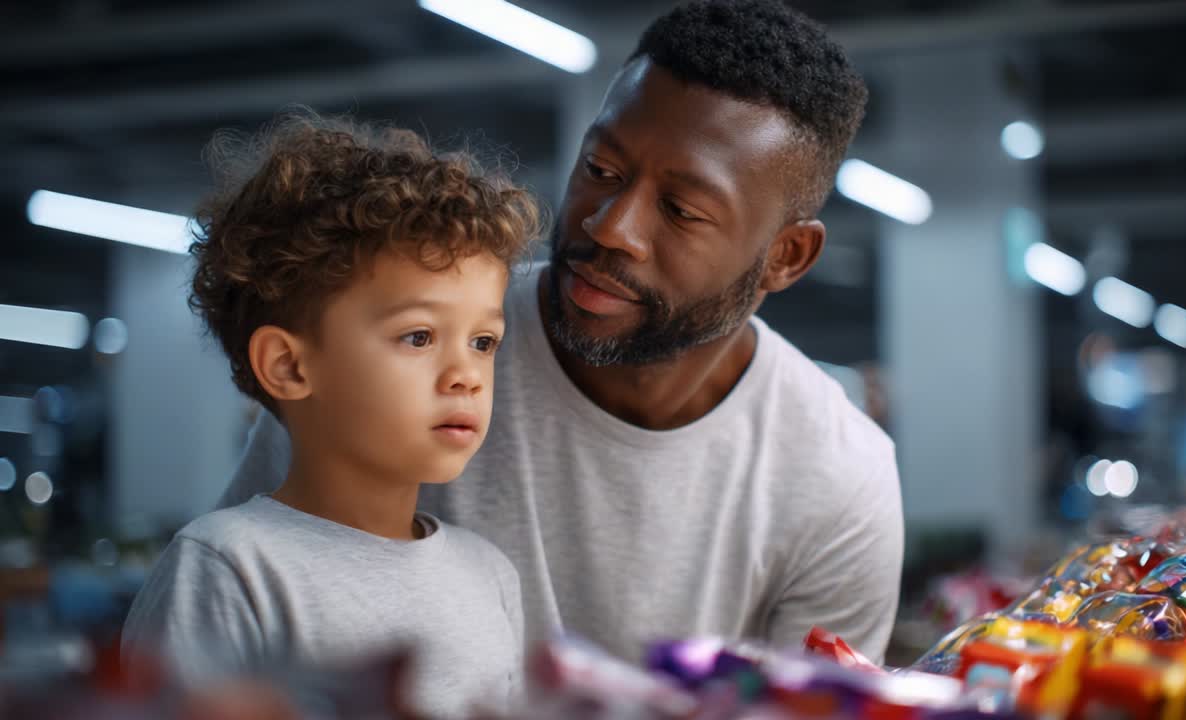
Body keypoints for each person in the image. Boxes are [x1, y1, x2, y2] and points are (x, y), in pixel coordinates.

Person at [221, 0, 904, 663]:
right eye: (601, 170)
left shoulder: (838, 477)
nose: (611, 226)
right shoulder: (406, 344)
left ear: (786, 257)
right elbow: (247, 587)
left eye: (681, 209)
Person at [122, 113, 542, 719]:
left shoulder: (490, 574)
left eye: (483, 341)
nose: (466, 374)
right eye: (419, 336)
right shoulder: (228, 567)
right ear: (289, 367)